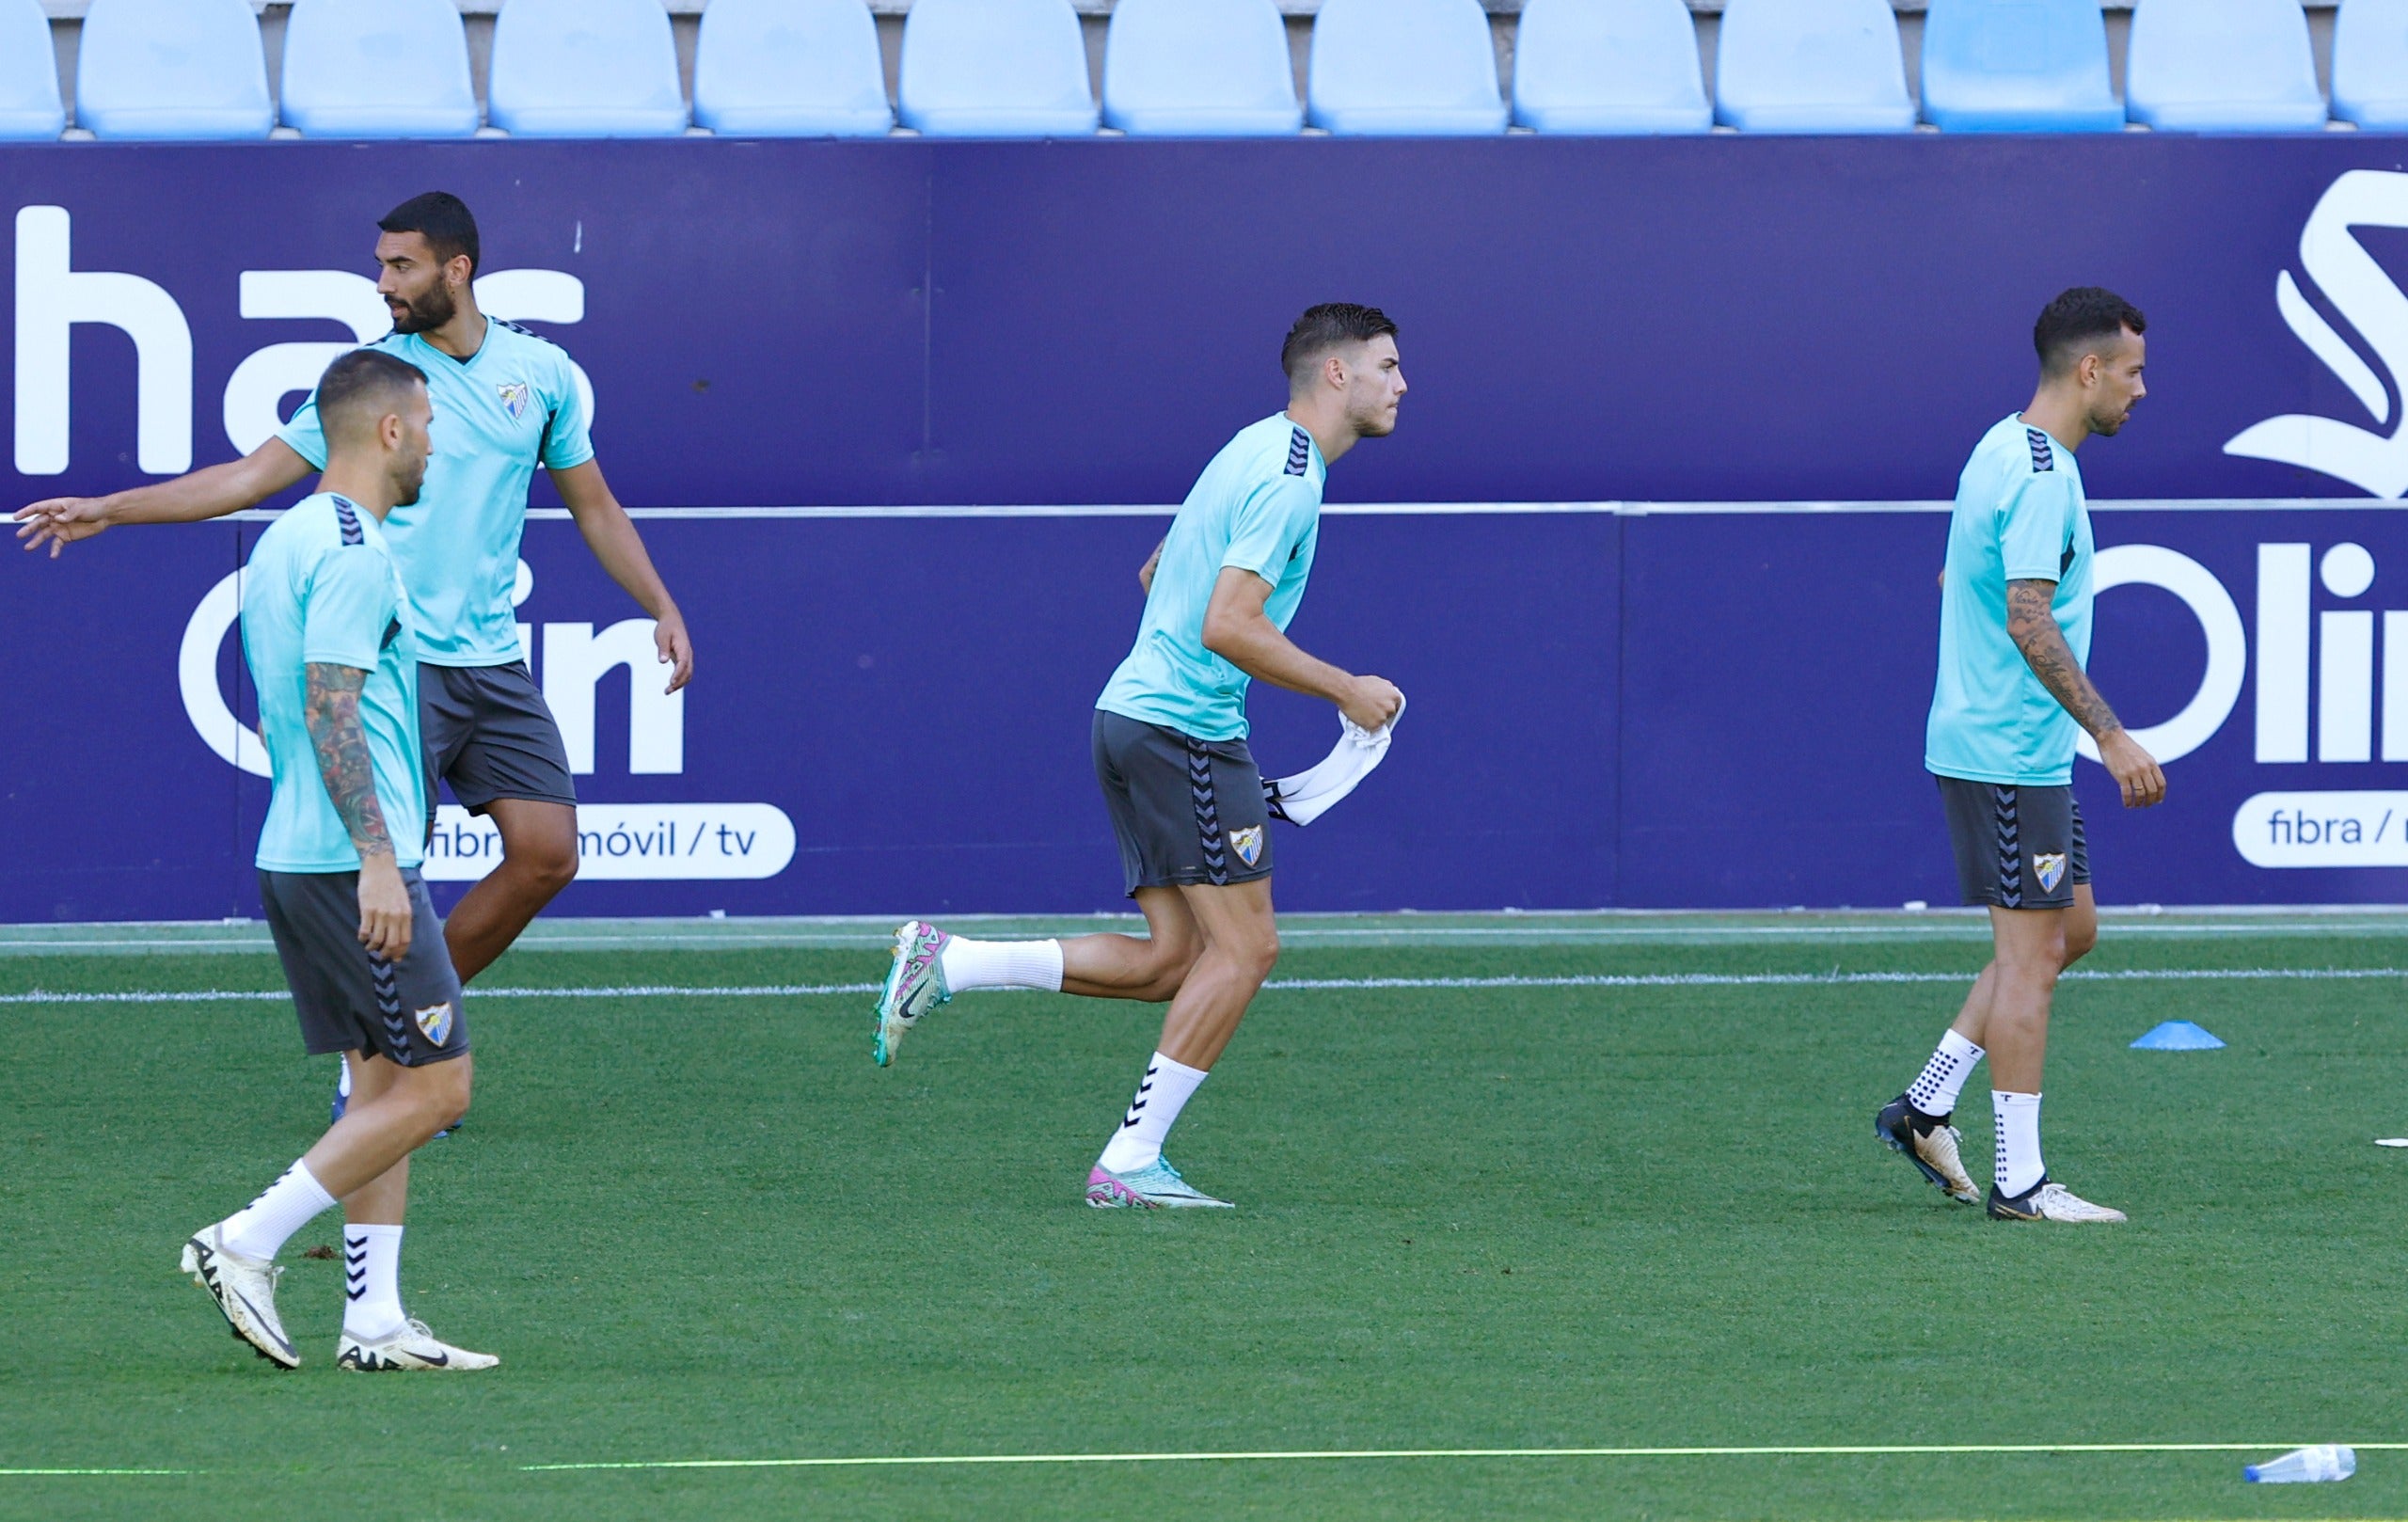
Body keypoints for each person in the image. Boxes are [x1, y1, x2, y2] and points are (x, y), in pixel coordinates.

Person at [17, 192, 692, 1118]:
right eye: (381, 265)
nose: (384, 283)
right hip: (394, 662)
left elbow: (595, 507)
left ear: (456, 269)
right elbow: (249, 478)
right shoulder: (374, 381)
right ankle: (383, 1064)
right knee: (390, 877)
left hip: (491, 662)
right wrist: (109, 508)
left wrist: (659, 604)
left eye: (401, 266)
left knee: (547, 855)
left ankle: (405, 1023)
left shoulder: (544, 375)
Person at [870, 303, 1409, 1210]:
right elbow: (1226, 622)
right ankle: (1128, 1162)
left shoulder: (1251, 449)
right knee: (1247, 950)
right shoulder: (1291, 478)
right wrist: (1346, 689)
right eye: (1389, 365)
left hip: (1133, 717)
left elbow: (1159, 572)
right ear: (1337, 374)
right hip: (1181, 732)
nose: (1404, 384)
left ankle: (947, 961)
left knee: (1173, 961)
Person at [181, 348, 494, 1371]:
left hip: (303, 850)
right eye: (429, 428)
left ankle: (373, 1322)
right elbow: (329, 703)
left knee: (380, 1091)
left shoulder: (294, 534)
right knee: (439, 1090)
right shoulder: (355, 549)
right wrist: (376, 859)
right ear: (391, 431)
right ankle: (245, 1240)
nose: (438, 447)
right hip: (346, 865)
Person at [1877, 287, 2166, 1225]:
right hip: (2006, 752)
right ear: (2089, 370)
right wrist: (2109, 733)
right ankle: (2020, 1181)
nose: (2140, 389)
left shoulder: (2005, 446)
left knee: (2067, 932)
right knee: (2033, 955)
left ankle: (1925, 1104)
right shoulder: (2042, 473)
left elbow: (1960, 571)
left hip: (2010, 752)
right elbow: (2026, 615)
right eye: (2131, 371)